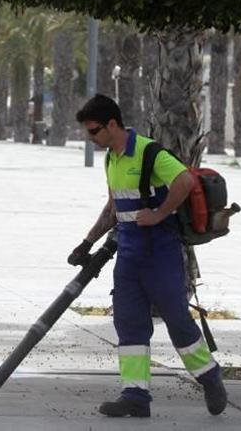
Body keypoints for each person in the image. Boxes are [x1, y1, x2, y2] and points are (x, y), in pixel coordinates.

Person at [70, 94, 227, 418]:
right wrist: (86, 243)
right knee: (128, 325)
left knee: (177, 321)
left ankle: (210, 377)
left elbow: (183, 180)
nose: (91, 138)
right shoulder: (111, 158)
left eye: (94, 131)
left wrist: (158, 213)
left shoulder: (148, 152)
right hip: (128, 256)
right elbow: (114, 207)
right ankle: (135, 396)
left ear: (112, 124)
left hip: (160, 253)